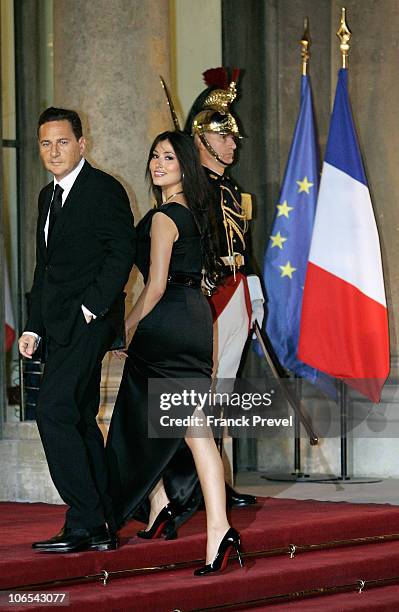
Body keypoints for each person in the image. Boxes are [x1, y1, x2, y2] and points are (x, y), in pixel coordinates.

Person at [106, 130, 243, 575]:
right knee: (180, 425)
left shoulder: (166, 216)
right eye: (154, 156)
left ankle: (218, 529)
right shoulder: (195, 214)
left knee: (183, 428)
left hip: (167, 323)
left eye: (168, 157)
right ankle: (163, 505)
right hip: (192, 319)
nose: (157, 163)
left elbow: (156, 285)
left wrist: (124, 329)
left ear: (185, 165)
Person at [18, 107, 136, 553]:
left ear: (81, 144)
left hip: (90, 322)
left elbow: (120, 252)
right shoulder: (47, 198)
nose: (53, 151)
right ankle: (103, 521)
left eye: (62, 142)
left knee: (53, 411)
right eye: (46, 143)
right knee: (80, 418)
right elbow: (43, 271)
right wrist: (33, 327)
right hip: (58, 325)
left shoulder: (104, 189)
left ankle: (84, 519)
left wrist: (91, 308)